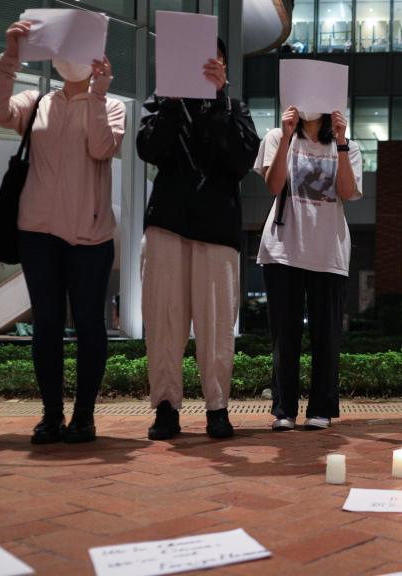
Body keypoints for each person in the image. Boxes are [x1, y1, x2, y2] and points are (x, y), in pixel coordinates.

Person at [0, 21, 125, 444]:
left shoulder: (111, 105)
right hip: (38, 233)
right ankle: (50, 416)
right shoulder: (37, 101)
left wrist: (99, 93)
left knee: (89, 325)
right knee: (46, 325)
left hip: (91, 237)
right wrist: (10, 56)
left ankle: (84, 416)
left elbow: (102, 148)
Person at [137, 38, 261, 440]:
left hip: (218, 228)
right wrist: (172, 103)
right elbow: (149, 148)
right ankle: (167, 408)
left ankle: (217, 407)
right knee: (164, 320)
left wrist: (220, 99)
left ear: (224, 67)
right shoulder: (161, 101)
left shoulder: (234, 108)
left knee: (217, 324)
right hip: (167, 224)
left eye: (216, 61)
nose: (207, 67)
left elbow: (241, 160)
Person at [253, 102, 362, 432]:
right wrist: (286, 137)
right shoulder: (276, 136)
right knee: (284, 336)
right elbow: (273, 186)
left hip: (328, 251)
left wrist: (341, 142)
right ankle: (283, 409)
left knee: (326, 336)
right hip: (283, 249)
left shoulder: (348, 145)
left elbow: (346, 191)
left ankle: (321, 409)